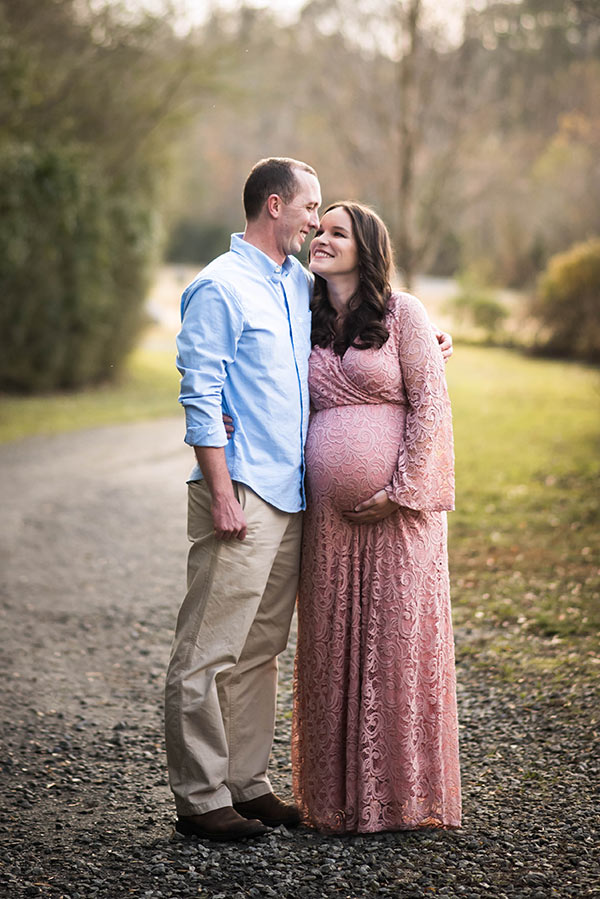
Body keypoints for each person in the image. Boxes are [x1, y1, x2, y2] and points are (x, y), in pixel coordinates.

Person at [165, 158, 452, 842]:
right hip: (243, 495)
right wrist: (221, 486)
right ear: (274, 205)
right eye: (310, 209)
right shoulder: (220, 285)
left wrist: (437, 339)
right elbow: (199, 390)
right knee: (210, 647)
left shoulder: (299, 286)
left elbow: (380, 319)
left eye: (328, 219)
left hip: (293, 498)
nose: (316, 224)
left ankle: (248, 781)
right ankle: (200, 795)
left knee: (262, 648)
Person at [292, 202, 461, 833]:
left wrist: (402, 488)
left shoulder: (403, 314)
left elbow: (431, 408)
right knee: (331, 648)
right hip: (328, 525)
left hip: (398, 516)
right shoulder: (300, 315)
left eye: (339, 233)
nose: (323, 239)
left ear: (367, 247)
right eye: (320, 230)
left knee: (394, 647)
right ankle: (335, 801)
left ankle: (401, 800)